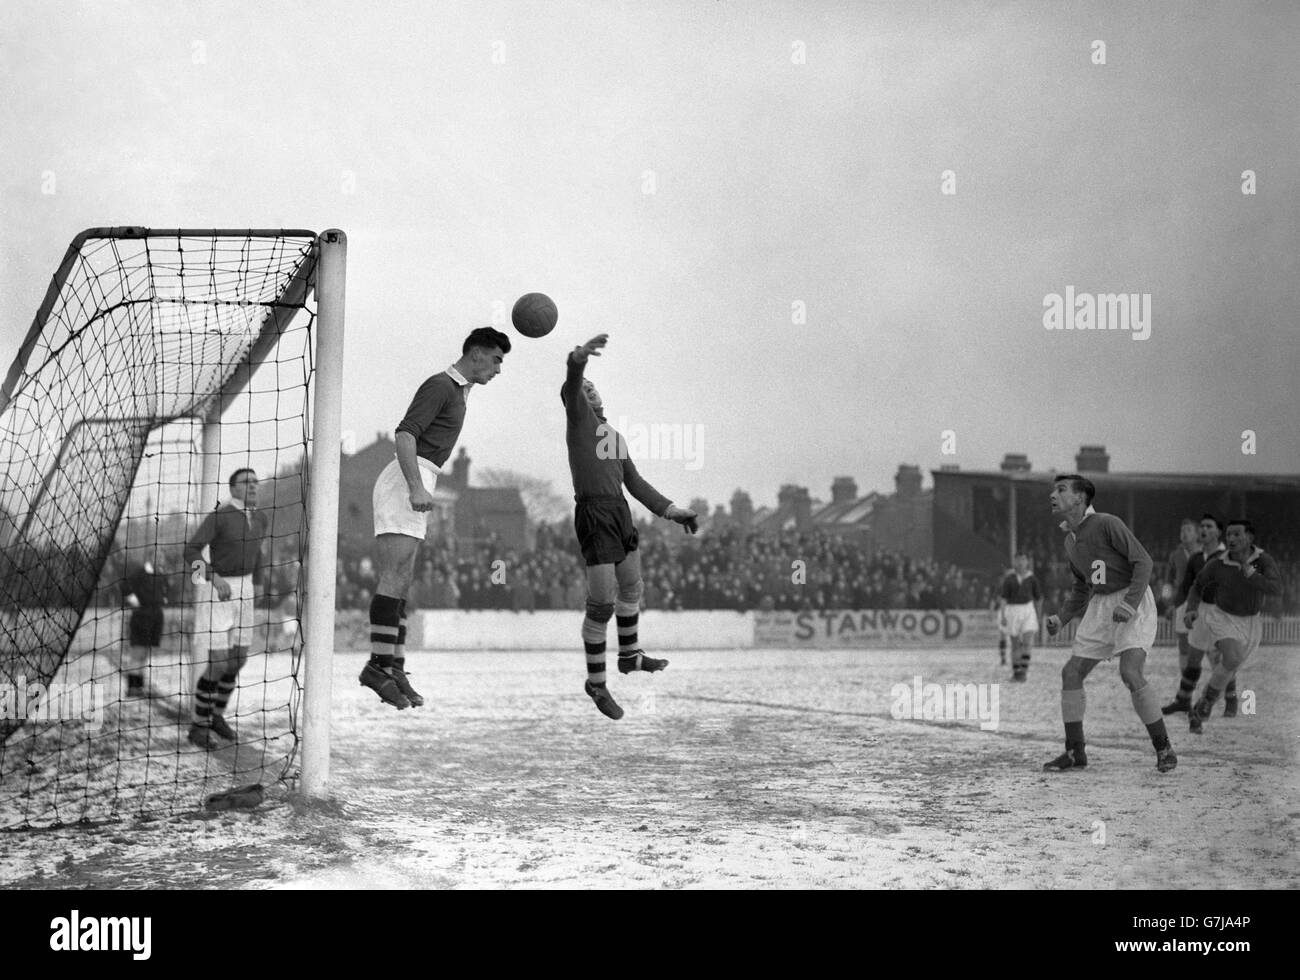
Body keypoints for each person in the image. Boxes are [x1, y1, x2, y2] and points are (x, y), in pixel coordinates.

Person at [360, 326, 511, 709]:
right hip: (406, 479)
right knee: (394, 575)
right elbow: (405, 435)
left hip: (422, 476)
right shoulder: (441, 385)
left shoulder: (459, 391)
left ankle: (393, 666)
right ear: (476, 354)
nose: (498, 369)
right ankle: (377, 667)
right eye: (496, 360)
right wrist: (415, 486)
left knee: (403, 580)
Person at [561, 333, 698, 720]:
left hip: (620, 513)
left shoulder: (614, 437)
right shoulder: (578, 421)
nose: (588, 388)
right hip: (594, 515)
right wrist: (577, 362)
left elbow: (635, 483)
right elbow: (572, 383)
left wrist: (671, 510)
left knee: (633, 585)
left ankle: (630, 656)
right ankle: (596, 682)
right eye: (583, 387)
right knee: (601, 604)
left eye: (592, 385)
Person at [1042, 475, 1176, 773]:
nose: (1053, 494)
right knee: (1071, 672)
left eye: (1061, 490)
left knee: (1129, 672)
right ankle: (1075, 752)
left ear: (1079, 498)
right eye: (1054, 489)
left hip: (1133, 599)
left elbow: (1144, 562)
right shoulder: (1070, 540)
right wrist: (1061, 618)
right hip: (1101, 606)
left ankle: (1164, 748)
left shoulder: (1107, 523)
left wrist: (1129, 604)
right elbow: (1082, 588)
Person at [183, 468, 269, 749]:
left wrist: (257, 583)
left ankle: (216, 716)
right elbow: (191, 551)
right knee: (218, 663)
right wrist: (212, 577)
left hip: (245, 590)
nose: (253, 487)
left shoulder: (261, 518)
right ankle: (199, 726)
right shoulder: (220, 515)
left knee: (238, 660)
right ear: (233, 489)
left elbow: (258, 554)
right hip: (217, 589)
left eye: (256, 482)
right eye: (247, 483)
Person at [1183, 519, 1282, 734]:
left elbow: (1276, 588)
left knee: (1230, 667)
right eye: (1228, 535)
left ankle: (1202, 705)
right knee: (1232, 658)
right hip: (1222, 617)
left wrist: (1253, 576)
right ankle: (1208, 704)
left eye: (1237, 534)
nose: (1231, 539)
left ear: (1250, 538)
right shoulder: (1219, 563)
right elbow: (1198, 586)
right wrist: (1191, 609)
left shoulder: (1263, 560)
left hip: (1251, 622)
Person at [1162, 514, 1227, 714]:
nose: (1184, 534)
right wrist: (1169, 602)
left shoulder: (1205, 552)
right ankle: (1186, 697)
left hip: (1204, 603)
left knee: (1211, 650)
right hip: (1183, 603)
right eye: (1182, 531)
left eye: (1188, 530)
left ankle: (1225, 693)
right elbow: (1168, 581)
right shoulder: (1175, 555)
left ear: (1197, 533)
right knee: (1184, 646)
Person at [121, 551, 171, 698]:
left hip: (155, 616)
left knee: (144, 654)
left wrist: (163, 598)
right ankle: (132, 688)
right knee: (138, 652)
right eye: (158, 556)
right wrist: (135, 601)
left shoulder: (161, 574)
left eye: (162, 557)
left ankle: (139, 686)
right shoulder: (141, 573)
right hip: (142, 616)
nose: (161, 559)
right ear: (150, 557)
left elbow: (166, 590)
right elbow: (124, 587)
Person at [997, 551, 1042, 681]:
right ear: (1014, 562)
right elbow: (1004, 598)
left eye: (1023, 560)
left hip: (1028, 609)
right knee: (1015, 644)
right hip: (1012, 610)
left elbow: (1039, 598)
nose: (1020, 563)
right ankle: (1016, 672)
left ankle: (1024, 671)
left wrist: (1038, 615)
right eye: (1018, 560)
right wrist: (1003, 615)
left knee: (1027, 642)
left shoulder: (1032, 579)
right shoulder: (1009, 579)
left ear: (1027, 562)